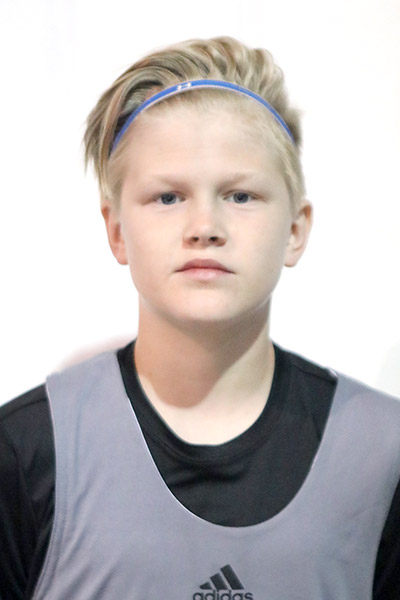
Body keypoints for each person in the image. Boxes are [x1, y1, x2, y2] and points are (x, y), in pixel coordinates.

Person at [0, 35, 399, 600]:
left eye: (240, 196)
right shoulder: (24, 453)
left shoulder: (384, 456)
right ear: (116, 230)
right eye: (168, 198)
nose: (204, 226)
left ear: (295, 229)